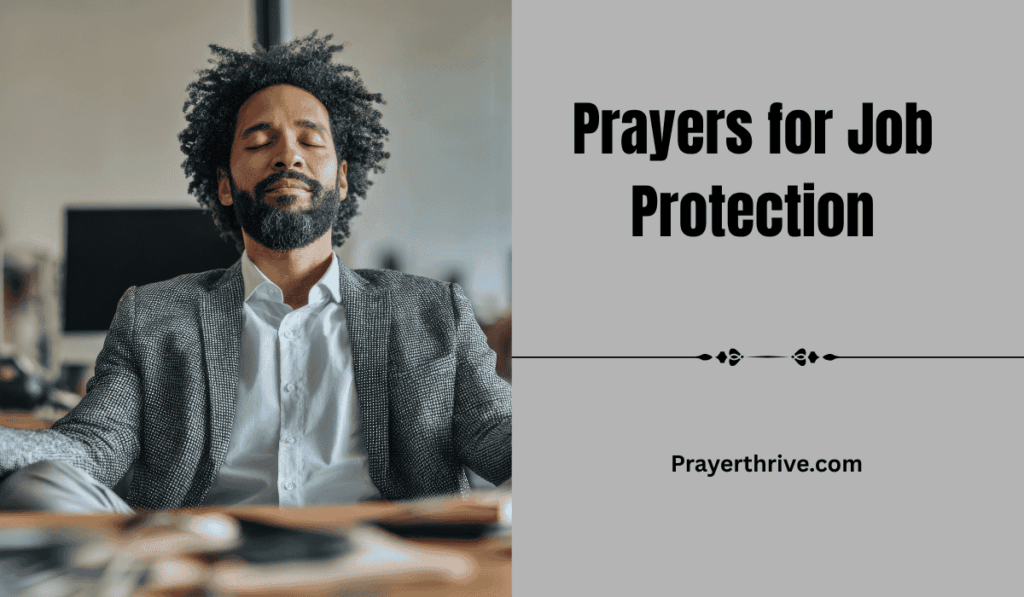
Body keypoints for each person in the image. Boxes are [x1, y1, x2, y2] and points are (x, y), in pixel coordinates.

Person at [0, 32, 511, 512]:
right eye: (259, 141)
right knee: (38, 485)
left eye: (310, 141)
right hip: (204, 552)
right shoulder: (153, 315)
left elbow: (497, 432)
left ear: (343, 179)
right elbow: (93, 445)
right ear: (224, 185)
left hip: (387, 553)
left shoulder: (431, 311)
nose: (287, 154)